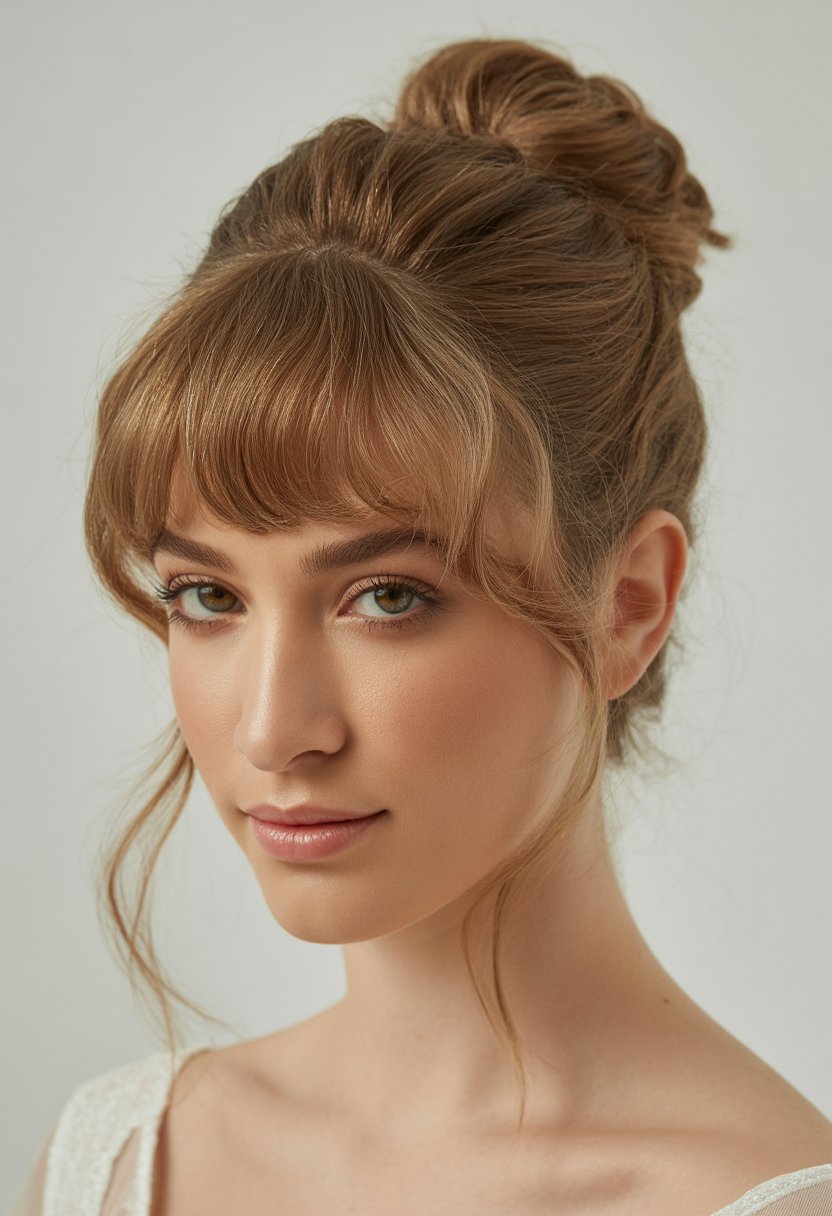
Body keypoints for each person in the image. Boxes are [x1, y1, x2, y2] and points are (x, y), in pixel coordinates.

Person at [11, 35, 832, 1216]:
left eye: (387, 596)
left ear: (629, 604)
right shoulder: (121, 1164)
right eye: (209, 596)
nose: (271, 730)